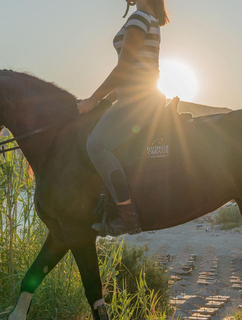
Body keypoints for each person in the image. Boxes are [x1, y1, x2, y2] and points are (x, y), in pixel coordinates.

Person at [77, 0, 170, 237]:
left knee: (96, 145)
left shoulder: (139, 18)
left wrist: (92, 99)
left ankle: (127, 216)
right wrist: (104, 99)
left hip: (139, 100)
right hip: (135, 96)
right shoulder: (147, 17)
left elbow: (125, 67)